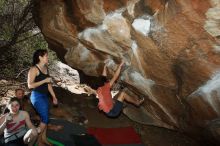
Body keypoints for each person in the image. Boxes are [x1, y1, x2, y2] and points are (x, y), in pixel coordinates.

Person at [27, 49, 58, 146]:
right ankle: (38, 141)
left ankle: (44, 139)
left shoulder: (45, 68)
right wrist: (44, 81)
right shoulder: (34, 69)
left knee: (44, 118)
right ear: (40, 57)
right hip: (36, 96)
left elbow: (48, 84)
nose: (47, 57)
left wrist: (54, 96)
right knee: (45, 119)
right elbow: (30, 85)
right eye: (46, 56)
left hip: (45, 96)